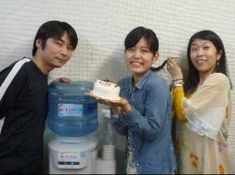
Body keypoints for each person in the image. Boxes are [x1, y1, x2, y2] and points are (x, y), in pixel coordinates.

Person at [93, 26, 176, 174]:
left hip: (154, 166)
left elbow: (152, 131)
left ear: (155, 56)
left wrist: (125, 106)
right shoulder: (123, 85)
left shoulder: (157, 86)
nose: (136, 55)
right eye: (131, 49)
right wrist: (115, 107)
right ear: (125, 53)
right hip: (132, 162)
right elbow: (123, 131)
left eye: (144, 51)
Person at [0, 20, 78, 174]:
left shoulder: (42, 78)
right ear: (39, 42)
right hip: (8, 165)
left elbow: (26, 105)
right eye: (58, 43)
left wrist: (52, 88)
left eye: (70, 48)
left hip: (31, 164)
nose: (64, 52)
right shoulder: (22, 69)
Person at [166, 30, 234, 174]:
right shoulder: (189, 89)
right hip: (185, 159)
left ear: (219, 54)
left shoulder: (220, 80)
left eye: (206, 47)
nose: (199, 53)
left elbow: (183, 113)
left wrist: (177, 78)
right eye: (194, 49)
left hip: (209, 161)